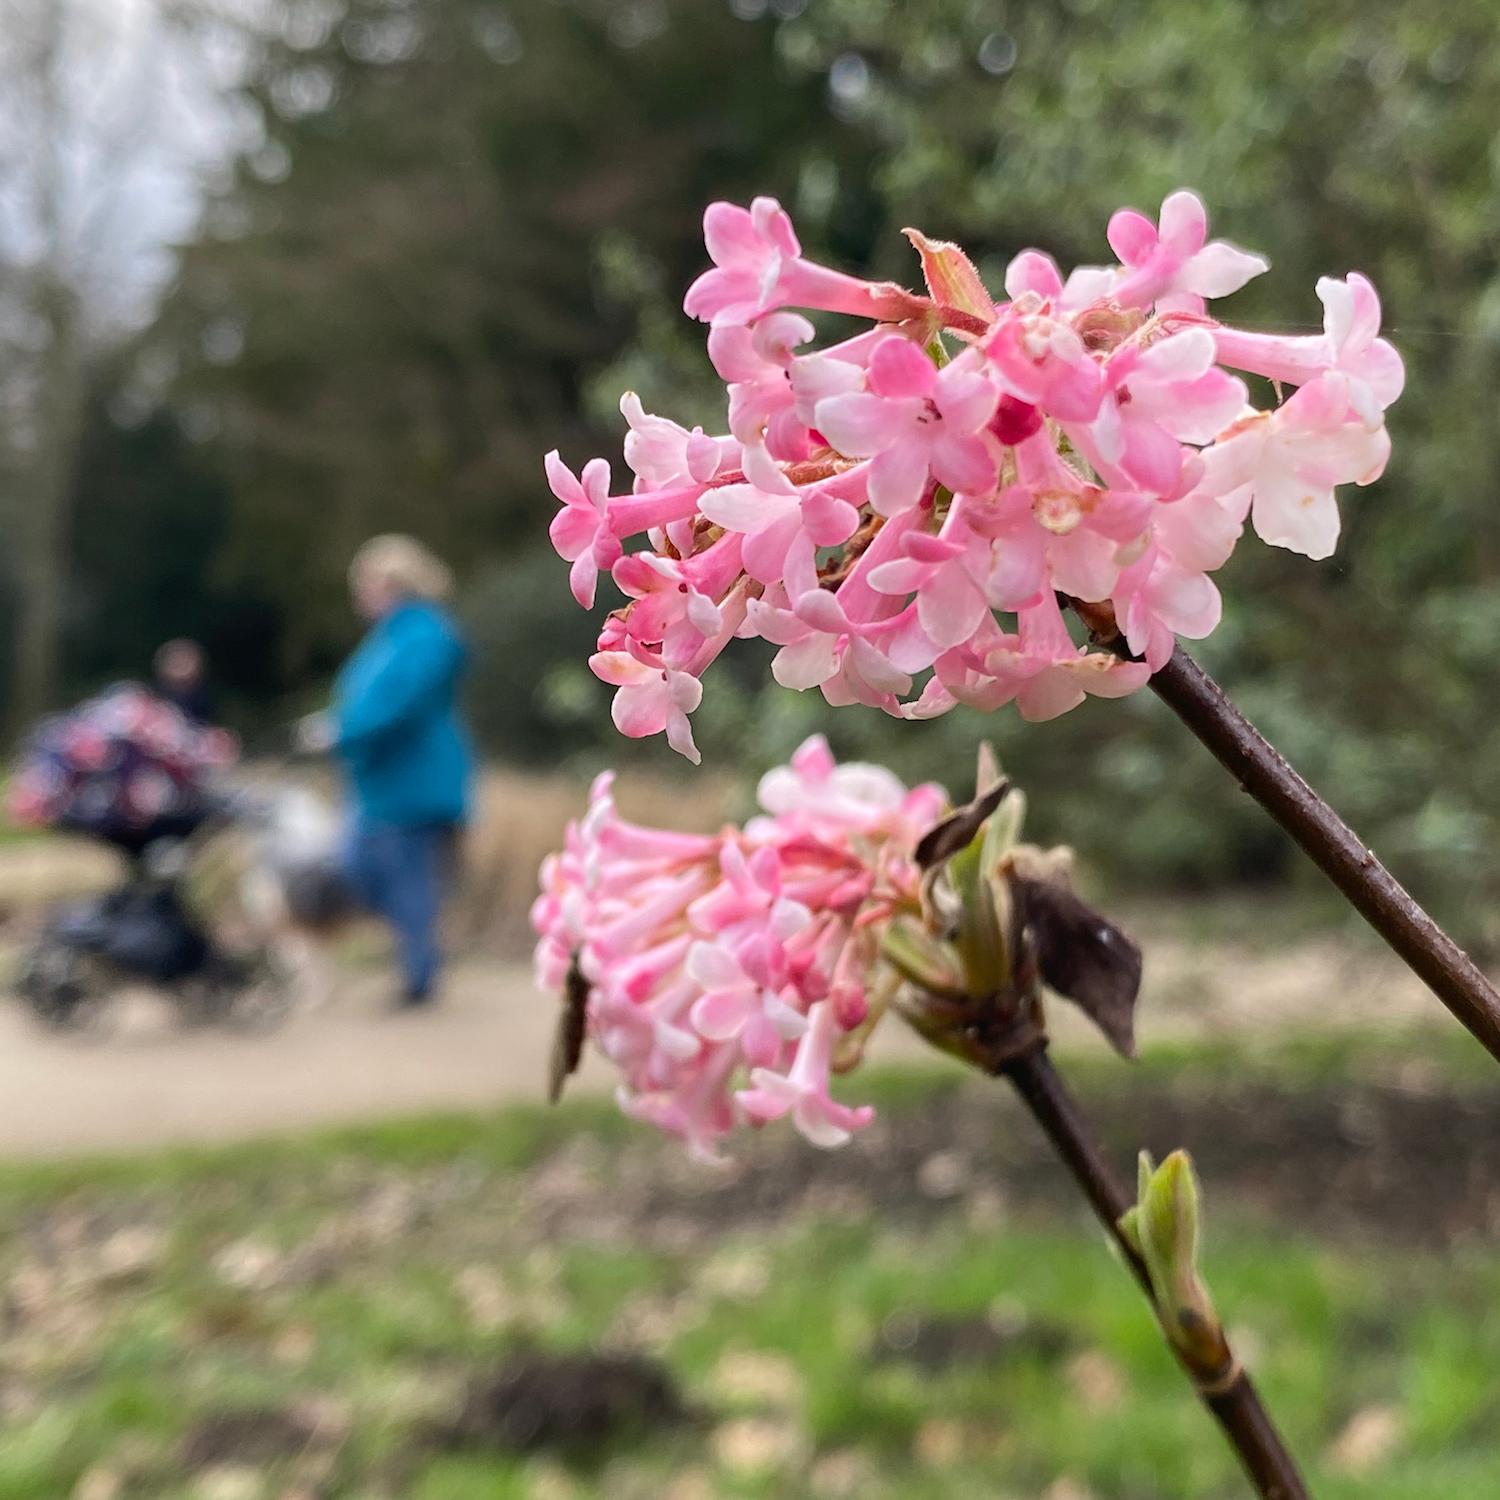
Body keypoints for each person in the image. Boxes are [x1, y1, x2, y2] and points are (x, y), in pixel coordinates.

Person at [297, 536, 473, 1008]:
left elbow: (395, 704)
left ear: (395, 584)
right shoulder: (394, 636)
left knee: (406, 882)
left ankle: (420, 979)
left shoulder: (424, 635)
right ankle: (419, 965)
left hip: (415, 783)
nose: (360, 596)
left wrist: (340, 730)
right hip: (381, 784)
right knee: (369, 875)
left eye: (367, 584)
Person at [153, 639, 216, 725]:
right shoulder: (148, 701)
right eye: (176, 662)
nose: (182, 666)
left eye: (186, 661)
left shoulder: (202, 704)